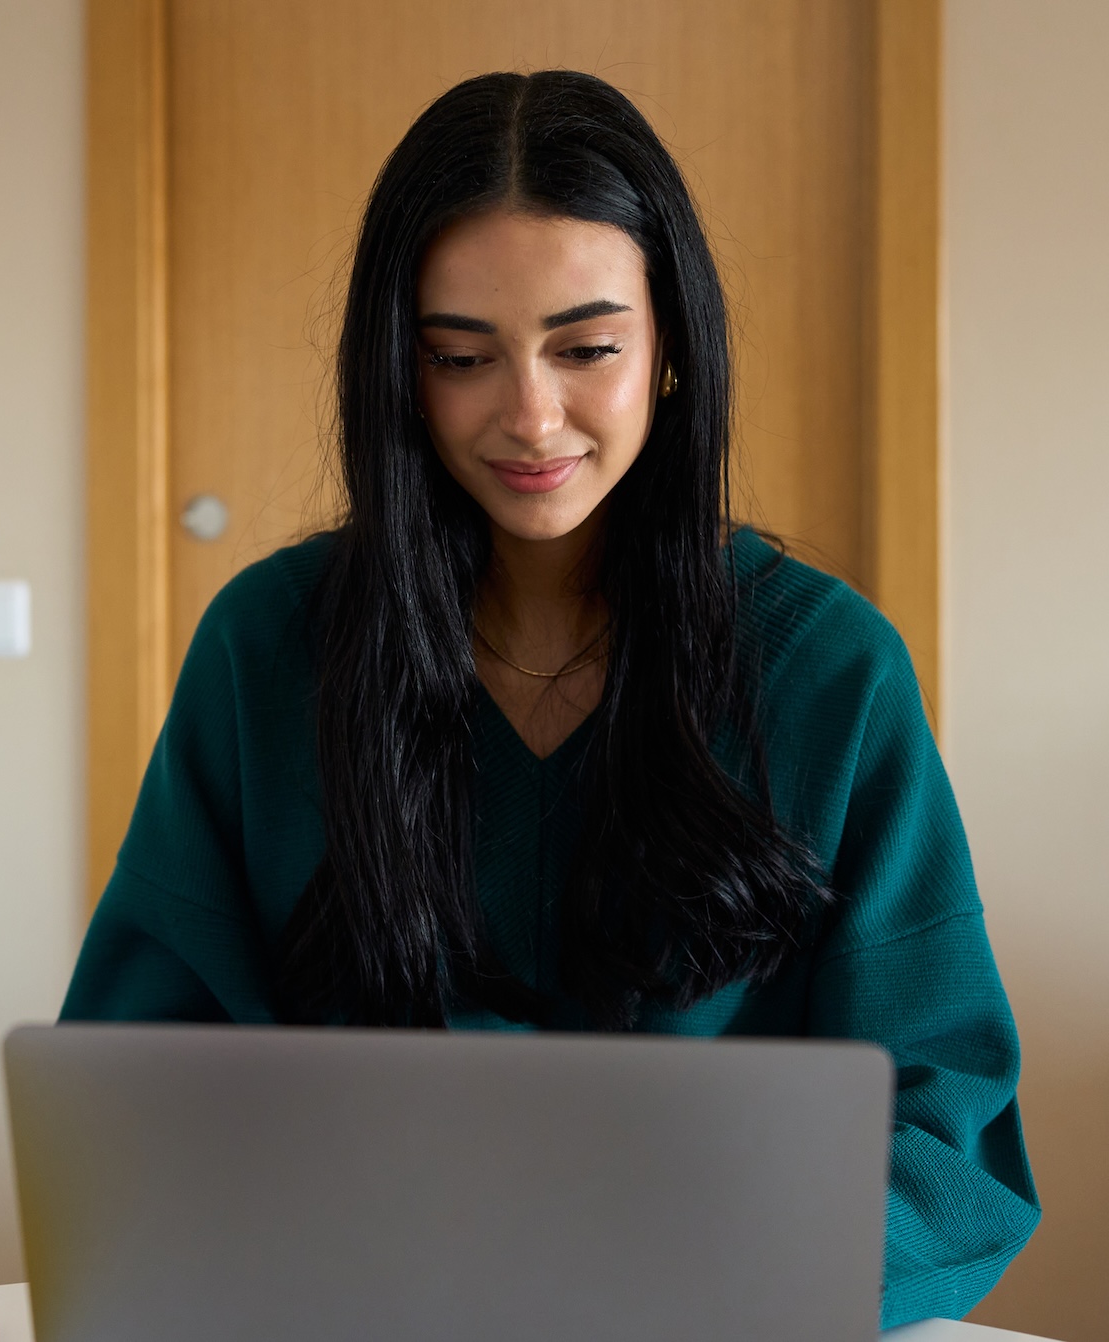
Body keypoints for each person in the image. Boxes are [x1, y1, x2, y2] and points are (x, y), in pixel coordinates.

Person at [62, 70, 1040, 1327]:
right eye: (462, 356)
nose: (530, 415)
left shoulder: (827, 668)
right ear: (398, 373)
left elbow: (950, 1128)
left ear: (671, 345)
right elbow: (132, 1086)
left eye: (587, 347)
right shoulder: (269, 646)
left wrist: (704, 1285)